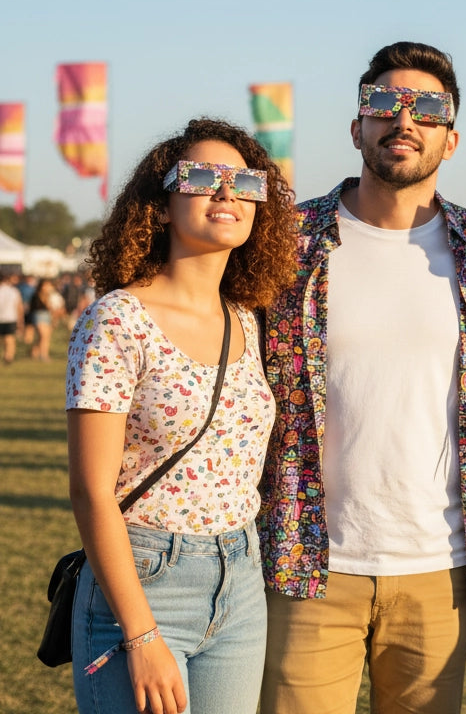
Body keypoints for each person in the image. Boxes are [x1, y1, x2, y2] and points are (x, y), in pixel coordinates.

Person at [258, 41, 466, 714]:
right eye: (384, 103)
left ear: (452, 138)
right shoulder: (286, 242)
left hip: (439, 566)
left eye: (428, 109)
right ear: (357, 126)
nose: (404, 121)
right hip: (306, 562)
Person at [66, 118, 296, 714]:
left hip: (242, 577)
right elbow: (92, 492)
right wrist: (141, 636)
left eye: (244, 181)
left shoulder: (247, 318)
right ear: (161, 205)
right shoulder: (117, 319)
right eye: (200, 177)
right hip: (144, 580)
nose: (226, 193)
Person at [28, 277, 65, 360]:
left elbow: (53, 307)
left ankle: (34, 352)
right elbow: (33, 308)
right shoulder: (36, 295)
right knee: (43, 336)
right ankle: (44, 355)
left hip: (47, 316)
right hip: (38, 315)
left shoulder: (51, 296)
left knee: (45, 337)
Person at [0, 272, 24, 363]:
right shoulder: (14, 291)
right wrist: (20, 320)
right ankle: (8, 356)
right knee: (10, 338)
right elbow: (19, 306)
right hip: (10, 317)